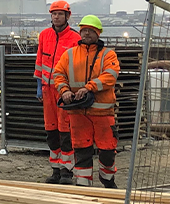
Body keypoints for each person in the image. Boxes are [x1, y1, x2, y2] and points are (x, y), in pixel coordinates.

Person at [52, 15, 121, 188]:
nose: (86, 34)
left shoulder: (108, 54)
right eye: (84, 31)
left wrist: (89, 88)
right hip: (77, 113)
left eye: (90, 31)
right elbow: (58, 74)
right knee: (81, 150)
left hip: (102, 113)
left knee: (107, 151)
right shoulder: (70, 54)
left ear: (98, 33)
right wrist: (65, 90)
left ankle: (107, 180)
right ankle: (83, 185)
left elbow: (110, 76)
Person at [34, 0, 81, 184]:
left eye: (60, 14)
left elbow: (78, 67)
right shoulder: (44, 36)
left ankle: (67, 171)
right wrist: (39, 85)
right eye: (54, 14)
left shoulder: (75, 38)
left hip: (64, 93)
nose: (56, 17)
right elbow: (39, 62)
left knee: (65, 131)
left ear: (67, 16)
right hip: (47, 91)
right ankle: (55, 169)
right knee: (51, 130)